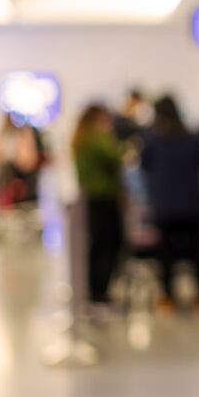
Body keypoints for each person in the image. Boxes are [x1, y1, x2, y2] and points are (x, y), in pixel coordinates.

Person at [141, 95, 199, 310]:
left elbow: (144, 164)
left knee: (166, 253)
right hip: (191, 203)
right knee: (195, 251)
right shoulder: (190, 137)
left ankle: (168, 297)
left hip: (165, 204)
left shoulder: (154, 139)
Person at [72, 105, 124, 306]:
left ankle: (94, 288)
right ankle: (99, 290)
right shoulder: (96, 139)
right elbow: (115, 156)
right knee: (107, 243)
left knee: (97, 244)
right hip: (103, 197)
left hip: (91, 197)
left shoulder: (81, 139)